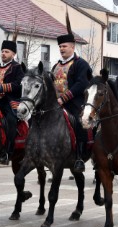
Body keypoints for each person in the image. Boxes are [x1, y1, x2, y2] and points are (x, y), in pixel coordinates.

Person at [52, 31, 92, 173]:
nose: (62, 49)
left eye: (64, 46)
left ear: (73, 47)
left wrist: (64, 98)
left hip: (75, 103)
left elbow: (81, 84)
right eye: (60, 47)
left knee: (79, 123)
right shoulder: (56, 66)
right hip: (56, 103)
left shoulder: (81, 64)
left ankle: (80, 158)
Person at [0, 39, 24, 165]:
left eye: (6, 52)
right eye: (2, 51)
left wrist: (2, 88)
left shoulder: (18, 68)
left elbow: (19, 85)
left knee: (10, 120)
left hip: (11, 102)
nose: (3, 54)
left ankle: (8, 151)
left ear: (13, 54)